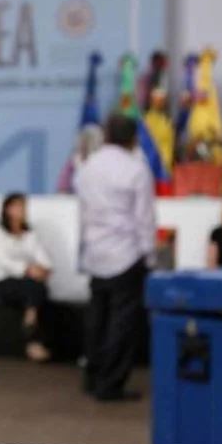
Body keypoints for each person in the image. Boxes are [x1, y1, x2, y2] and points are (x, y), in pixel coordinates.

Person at [75, 114, 156, 401]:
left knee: (96, 320)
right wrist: (149, 256)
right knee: (122, 324)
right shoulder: (136, 169)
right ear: (134, 138)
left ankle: (92, 376)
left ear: (107, 135)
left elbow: (83, 212)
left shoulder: (88, 166)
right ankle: (110, 384)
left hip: (95, 253)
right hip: (126, 254)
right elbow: (144, 219)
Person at [0, 193, 53, 362]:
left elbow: (44, 259)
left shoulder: (30, 234)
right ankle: (33, 339)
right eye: (18, 206)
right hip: (4, 282)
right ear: (7, 209)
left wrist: (42, 270)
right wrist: (28, 269)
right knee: (36, 289)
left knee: (36, 289)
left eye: (23, 207)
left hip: (28, 284)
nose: (22, 210)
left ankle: (31, 321)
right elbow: (4, 261)